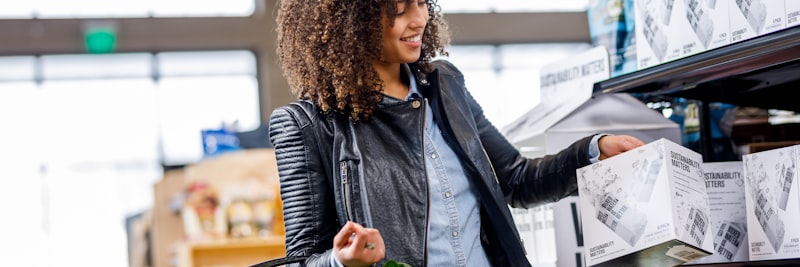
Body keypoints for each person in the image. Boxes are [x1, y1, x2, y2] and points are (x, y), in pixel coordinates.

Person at [268, 1, 645, 266]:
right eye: (399, 8)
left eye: (421, 2)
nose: (418, 19)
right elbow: (300, 260)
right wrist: (341, 261)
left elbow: (515, 179)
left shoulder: (444, 85)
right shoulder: (306, 125)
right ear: (350, 18)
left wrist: (592, 153)